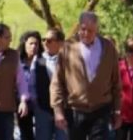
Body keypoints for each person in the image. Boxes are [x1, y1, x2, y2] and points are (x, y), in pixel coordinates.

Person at [50, 12, 122, 140]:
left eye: (91, 30)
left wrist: (117, 111)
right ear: (78, 27)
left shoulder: (108, 48)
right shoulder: (68, 48)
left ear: (97, 30)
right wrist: (58, 111)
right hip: (75, 110)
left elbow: (116, 82)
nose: (86, 34)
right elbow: (57, 82)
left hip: (101, 108)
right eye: (83, 29)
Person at [31, 28, 68, 140]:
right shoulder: (37, 59)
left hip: (64, 109)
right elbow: (32, 83)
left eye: (50, 40)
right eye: (44, 40)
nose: (45, 43)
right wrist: (35, 103)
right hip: (43, 109)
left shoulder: (68, 59)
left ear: (60, 43)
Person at [18, 31, 43, 140]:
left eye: (36, 44)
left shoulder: (43, 62)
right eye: (31, 44)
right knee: (26, 134)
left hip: (40, 104)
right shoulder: (17, 63)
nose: (34, 47)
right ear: (24, 44)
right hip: (23, 104)